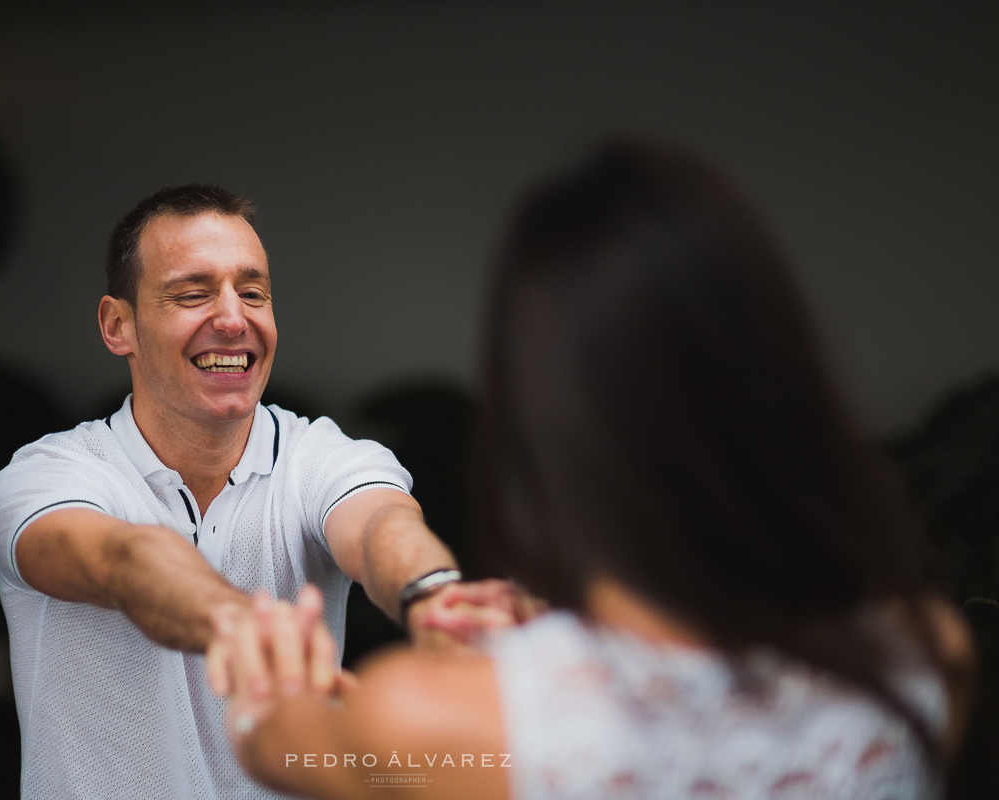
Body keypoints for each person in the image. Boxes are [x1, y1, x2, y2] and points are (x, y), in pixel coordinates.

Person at [214, 139, 978, 799]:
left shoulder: (432, 718)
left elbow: (287, 746)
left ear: (538, 425)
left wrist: (268, 676)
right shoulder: (923, 655)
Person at [0, 185, 521, 799]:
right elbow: (122, 561)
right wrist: (240, 622)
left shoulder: (319, 456)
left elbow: (380, 526)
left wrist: (430, 593)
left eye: (254, 294)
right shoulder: (46, 476)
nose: (235, 319)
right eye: (193, 294)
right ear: (117, 324)